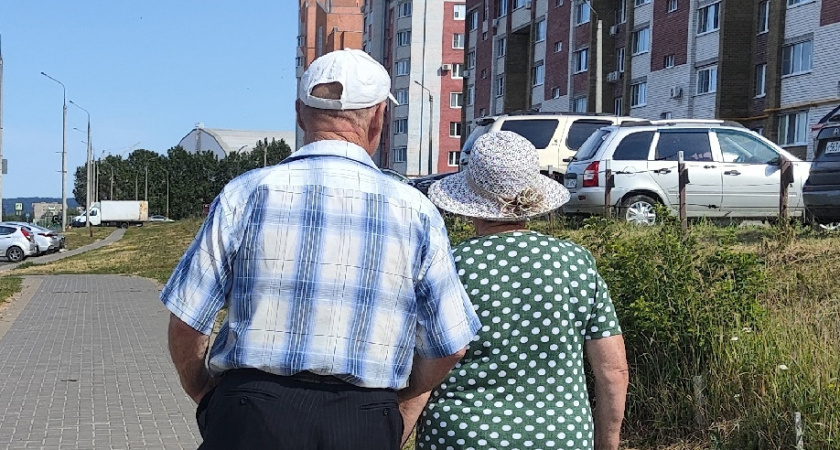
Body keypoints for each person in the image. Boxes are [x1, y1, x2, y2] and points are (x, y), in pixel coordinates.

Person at [161, 49, 481, 450]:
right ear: (380, 116)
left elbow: (188, 319)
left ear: (299, 113)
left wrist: (204, 393)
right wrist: (399, 408)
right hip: (363, 416)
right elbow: (451, 343)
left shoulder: (246, 193)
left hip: (250, 411)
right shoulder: (415, 210)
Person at [407, 131, 629, 450]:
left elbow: (425, 369)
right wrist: (607, 443)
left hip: (463, 437)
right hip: (561, 437)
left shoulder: (449, 267)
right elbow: (613, 371)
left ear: (469, 202)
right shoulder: (577, 264)